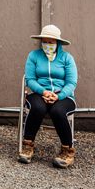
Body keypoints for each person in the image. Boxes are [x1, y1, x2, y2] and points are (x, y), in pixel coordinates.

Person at [19, 24, 78, 168]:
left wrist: (59, 95)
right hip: (39, 93)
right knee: (37, 108)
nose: (47, 45)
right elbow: (30, 79)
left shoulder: (67, 58)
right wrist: (43, 91)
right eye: (44, 41)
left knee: (57, 111)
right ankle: (28, 145)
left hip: (63, 96)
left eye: (51, 42)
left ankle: (67, 151)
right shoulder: (34, 56)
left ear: (57, 42)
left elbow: (71, 82)